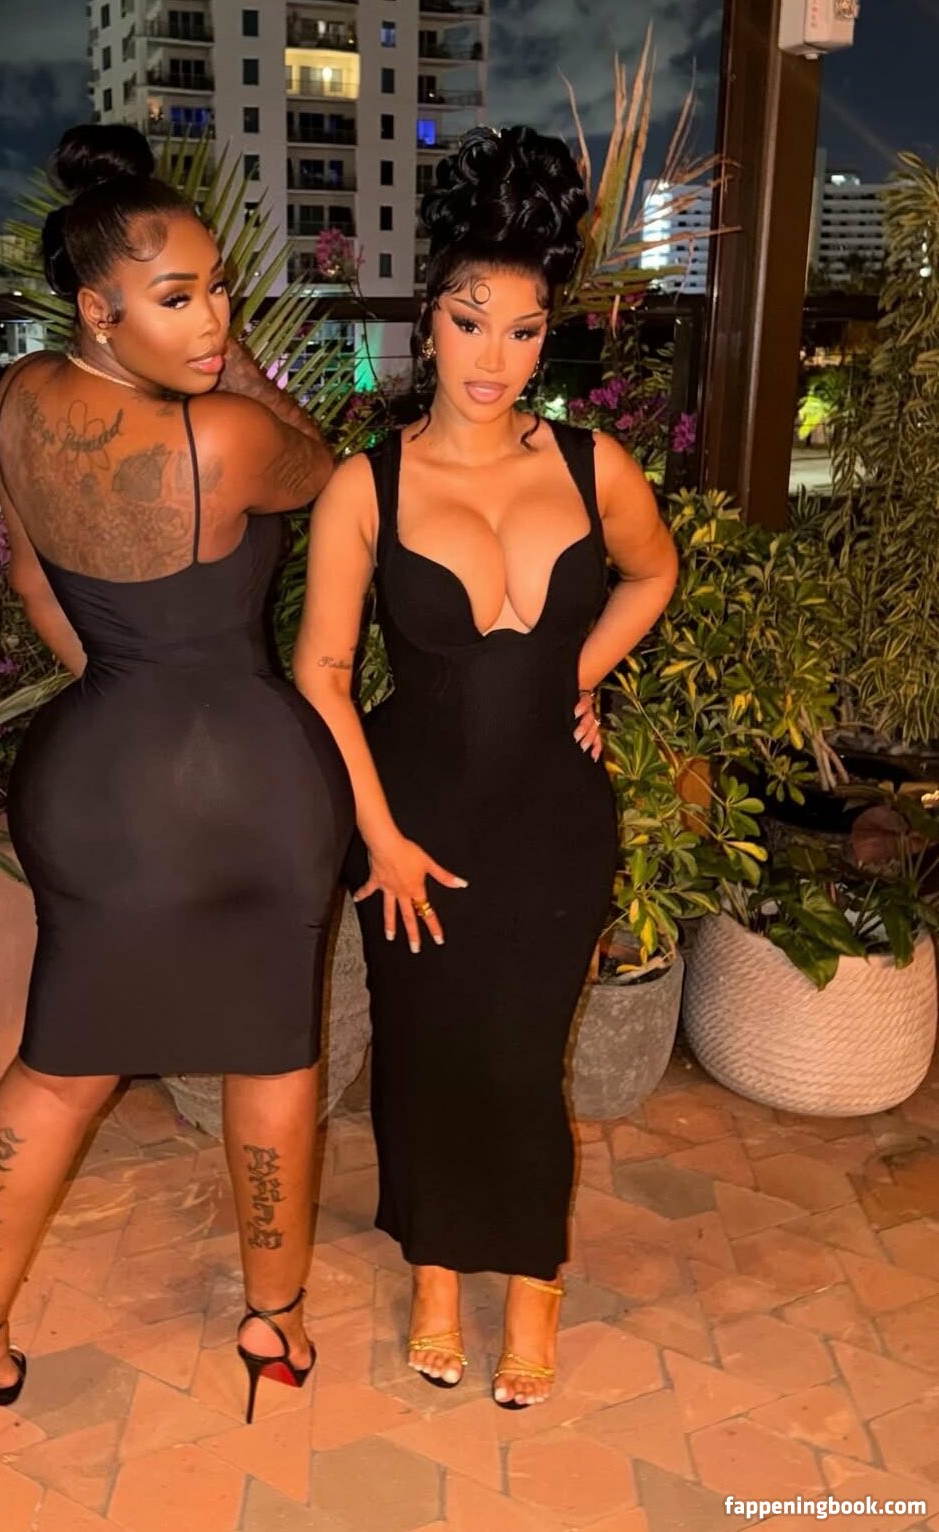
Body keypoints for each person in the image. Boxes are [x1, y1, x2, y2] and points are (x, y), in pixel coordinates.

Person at [0, 124, 353, 1453]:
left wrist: (118, 679)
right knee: (271, 1052)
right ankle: (273, 1321)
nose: (215, 319)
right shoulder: (224, 434)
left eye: (219, 290)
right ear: (97, 310)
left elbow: (30, 574)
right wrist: (250, 376)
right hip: (244, 783)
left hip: (95, 776)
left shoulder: (17, 402)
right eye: (178, 298)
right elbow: (325, 466)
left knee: (60, 1062)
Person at [295, 125, 678, 1410]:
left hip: (555, 822)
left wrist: (580, 675)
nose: (494, 358)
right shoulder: (366, 487)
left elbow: (653, 572)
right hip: (415, 817)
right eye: (470, 322)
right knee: (425, 1053)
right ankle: (435, 1271)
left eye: (523, 330)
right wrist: (380, 836)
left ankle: (535, 1281)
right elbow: (323, 674)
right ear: (429, 316)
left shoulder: (589, 463)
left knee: (523, 1061)